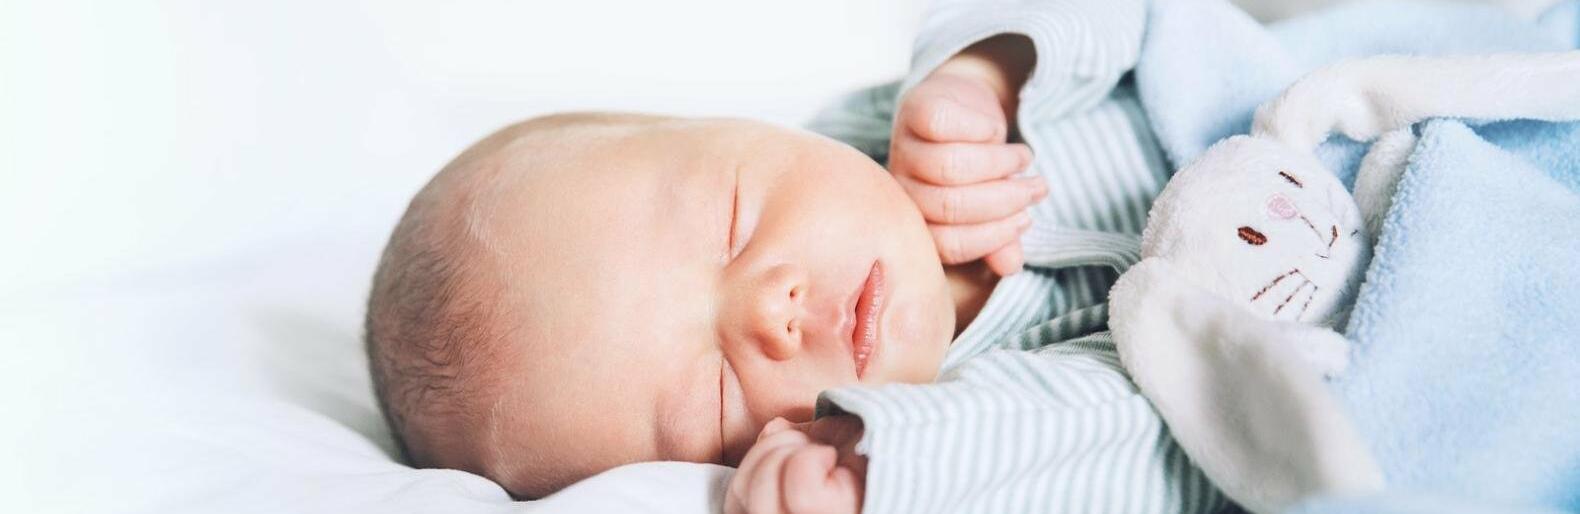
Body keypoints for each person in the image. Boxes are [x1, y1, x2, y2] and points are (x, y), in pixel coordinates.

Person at [365, 0, 1226, 512]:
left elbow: (1139, 17)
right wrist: (879, 474)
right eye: (712, 397)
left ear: (742, 127)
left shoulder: (882, 130)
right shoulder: (949, 423)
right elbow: (1174, 453)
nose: (768, 310)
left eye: (732, 222)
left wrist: (984, 69)